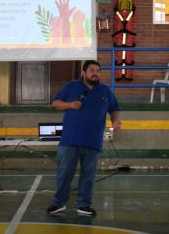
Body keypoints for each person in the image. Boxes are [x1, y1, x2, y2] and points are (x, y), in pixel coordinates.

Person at [46, 60, 121, 216]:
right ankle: (58, 203)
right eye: (92, 70)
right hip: (69, 141)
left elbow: (114, 108)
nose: (95, 73)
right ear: (84, 72)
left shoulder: (105, 91)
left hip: (93, 141)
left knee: (88, 176)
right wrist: (71, 105)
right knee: (64, 174)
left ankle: (84, 205)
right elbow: (56, 103)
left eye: (98, 70)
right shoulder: (71, 86)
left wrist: (115, 120)